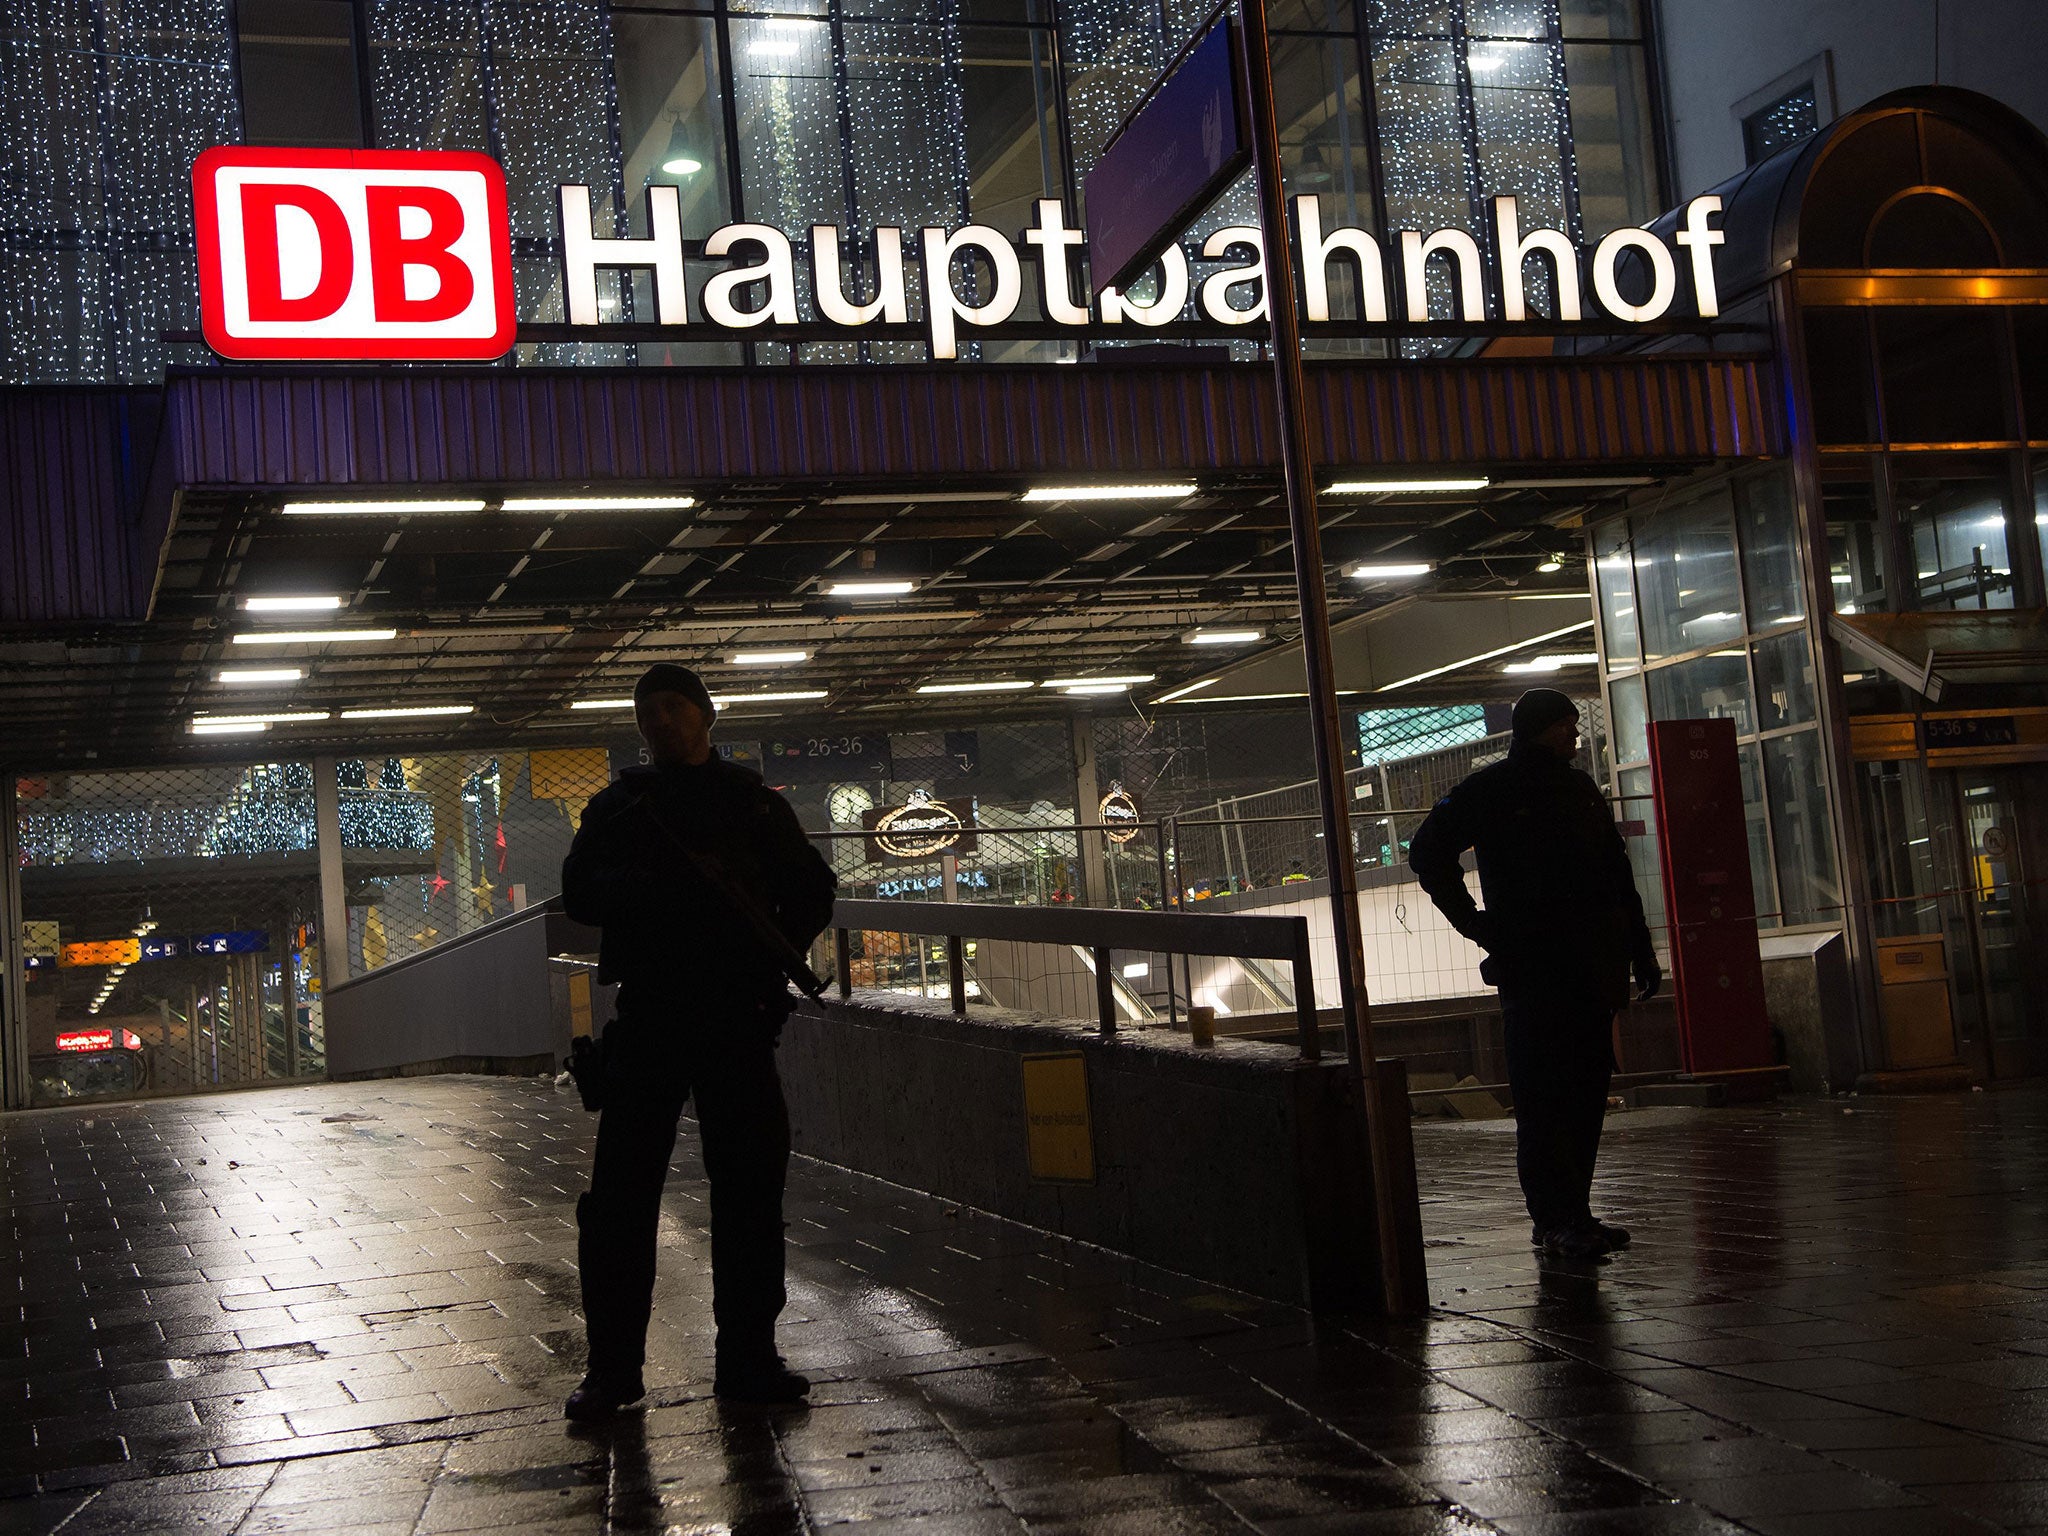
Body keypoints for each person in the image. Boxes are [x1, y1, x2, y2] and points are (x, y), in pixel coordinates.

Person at [560, 663, 837, 1417]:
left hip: (733, 1013)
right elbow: (580, 891)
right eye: (648, 711)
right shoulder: (620, 808)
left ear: (706, 716)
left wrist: (765, 947)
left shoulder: (749, 804)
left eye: (675, 707)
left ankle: (748, 1361)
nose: (661, 722)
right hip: (651, 1016)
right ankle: (613, 1372)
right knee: (621, 1200)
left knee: (749, 1191)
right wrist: (652, 893)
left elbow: (813, 888)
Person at [1407, 688, 1661, 1262]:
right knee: (1553, 1097)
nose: (1576, 736)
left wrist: (1639, 953)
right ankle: (1557, 1217)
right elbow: (1427, 851)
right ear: (1543, 729)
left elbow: (1615, 878)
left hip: (1565, 968)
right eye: (1568, 726)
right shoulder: (1507, 790)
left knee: (1578, 1094)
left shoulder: (1555, 789)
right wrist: (1478, 925)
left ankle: (1571, 1213)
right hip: (1553, 970)